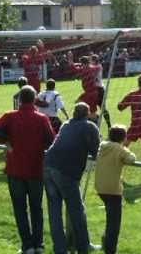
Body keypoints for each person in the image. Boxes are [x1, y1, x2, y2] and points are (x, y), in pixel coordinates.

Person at [0, 85, 55, 254]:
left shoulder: (10, 116)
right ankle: (38, 244)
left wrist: (6, 142)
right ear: (34, 100)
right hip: (35, 169)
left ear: (19, 100)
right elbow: (51, 140)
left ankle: (27, 245)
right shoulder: (41, 119)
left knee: (20, 208)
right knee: (36, 207)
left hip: (15, 169)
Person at [44, 102, 101, 254]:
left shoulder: (66, 125)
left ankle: (60, 249)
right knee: (76, 209)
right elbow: (97, 152)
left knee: (54, 210)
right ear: (88, 113)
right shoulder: (90, 127)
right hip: (66, 172)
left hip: (48, 165)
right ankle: (83, 246)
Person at [95, 125, 136, 254]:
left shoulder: (103, 146)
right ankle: (110, 250)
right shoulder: (120, 149)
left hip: (100, 187)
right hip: (113, 190)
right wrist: (128, 152)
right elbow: (131, 159)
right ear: (123, 138)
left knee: (110, 216)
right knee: (114, 223)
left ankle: (105, 240)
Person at [69, 54, 101, 123]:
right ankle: (91, 118)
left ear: (82, 63)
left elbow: (72, 67)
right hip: (94, 92)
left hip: (89, 93)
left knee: (80, 104)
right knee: (91, 109)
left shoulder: (83, 69)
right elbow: (98, 67)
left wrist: (71, 59)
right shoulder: (93, 68)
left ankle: (88, 120)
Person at [91, 54, 111, 129]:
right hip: (98, 89)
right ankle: (103, 125)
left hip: (98, 89)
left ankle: (108, 125)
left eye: (91, 60)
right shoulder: (96, 66)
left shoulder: (97, 67)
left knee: (101, 108)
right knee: (95, 109)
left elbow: (94, 77)